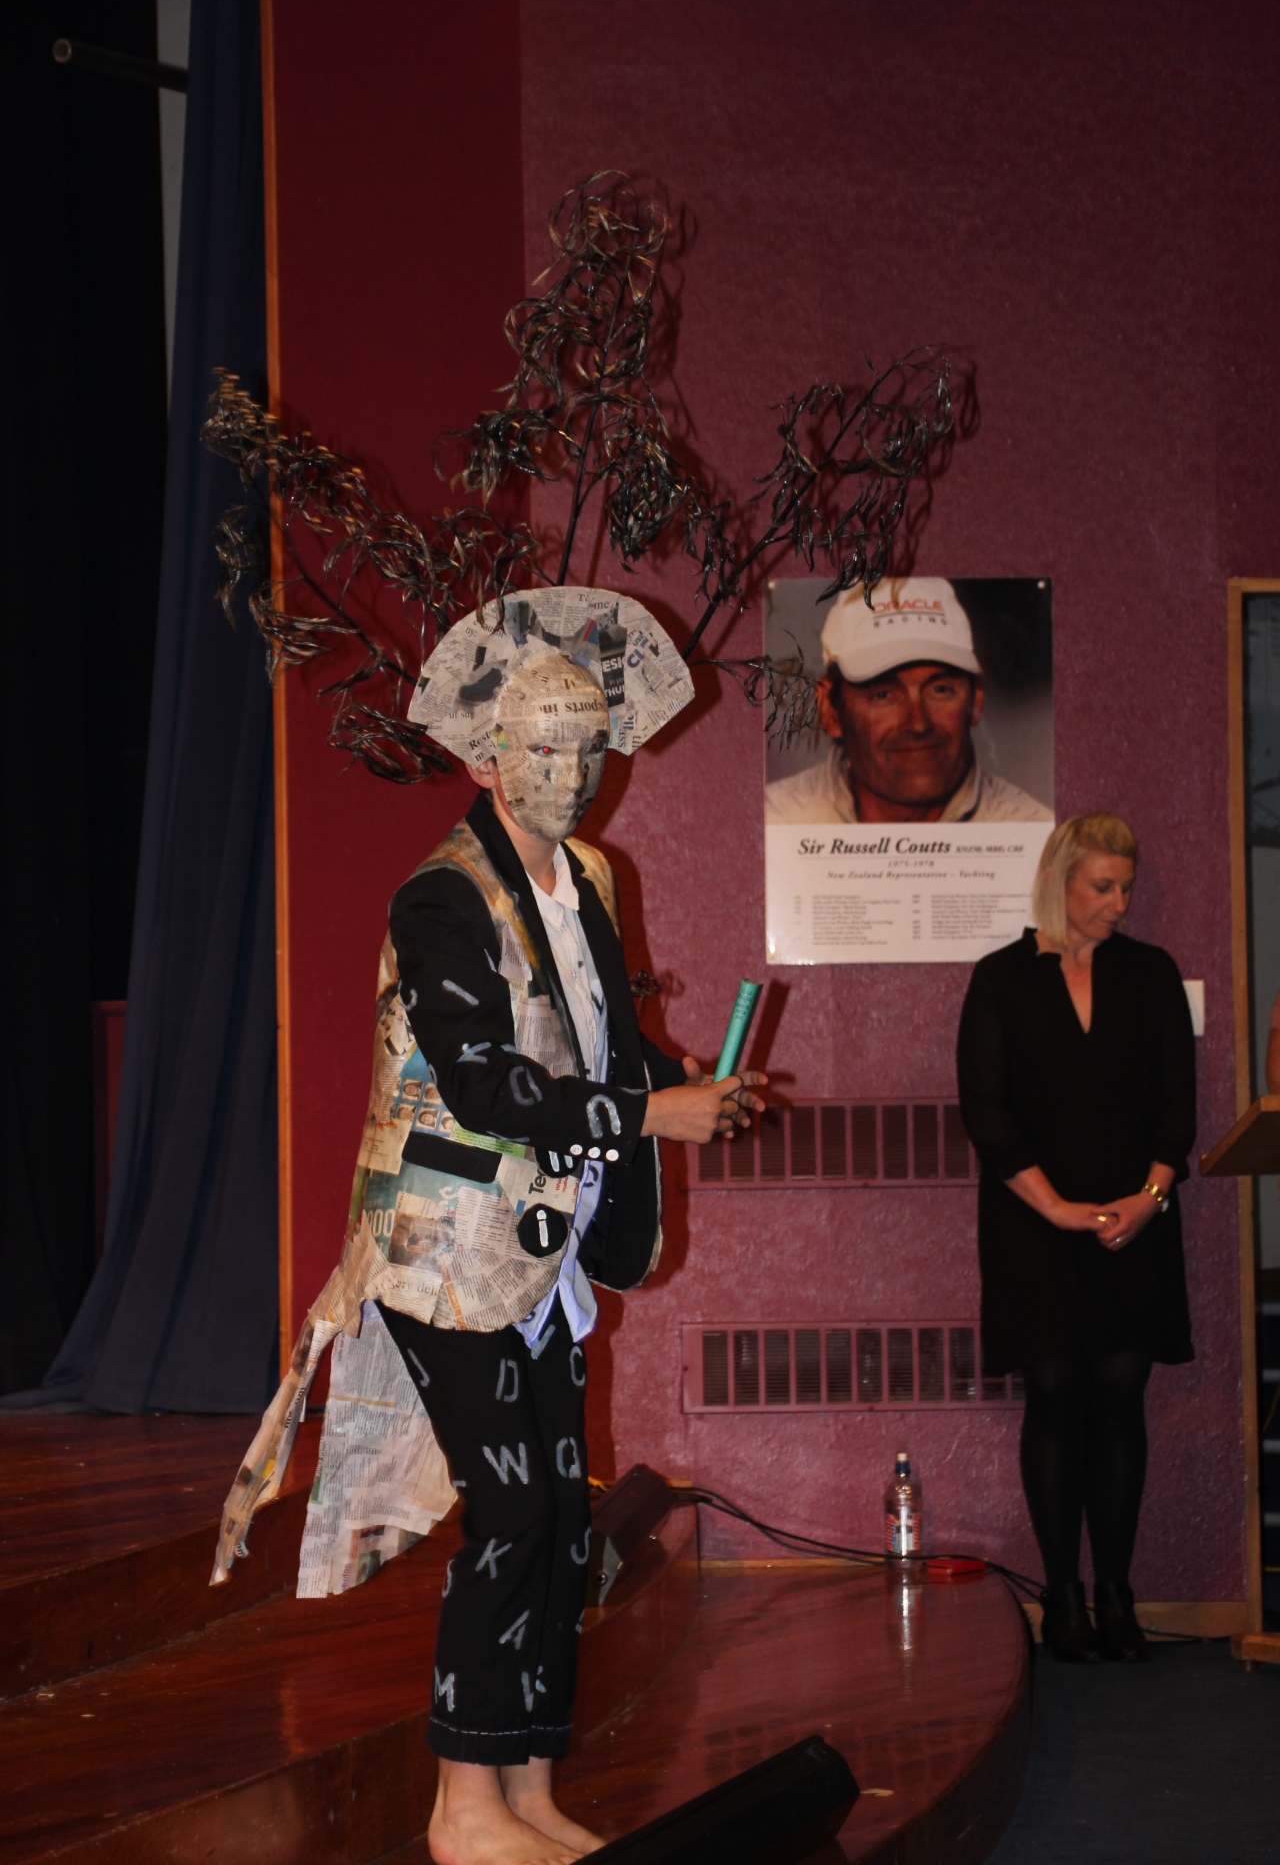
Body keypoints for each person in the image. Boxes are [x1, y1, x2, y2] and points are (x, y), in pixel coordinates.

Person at [214, 589, 765, 1865]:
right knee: (512, 1513)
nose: (569, 774)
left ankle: (526, 1792)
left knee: (562, 1518)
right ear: (486, 756)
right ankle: (461, 1809)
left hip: (539, 1245)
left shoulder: (591, 878)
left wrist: (677, 1081)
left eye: (589, 747)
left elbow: (594, 1042)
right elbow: (482, 1085)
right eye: (543, 749)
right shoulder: (439, 897)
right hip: (441, 1249)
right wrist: (651, 1111)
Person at [956, 814, 1196, 1663]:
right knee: (1055, 1394)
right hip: (1035, 1224)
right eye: (1103, 886)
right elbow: (986, 1112)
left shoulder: (1152, 974)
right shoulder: (1000, 979)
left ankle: (1117, 1594)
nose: (1119, 903)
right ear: (1059, 881)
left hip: (1136, 1221)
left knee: (1121, 1397)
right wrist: (1056, 1207)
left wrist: (1150, 1198)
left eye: (1126, 886)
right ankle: (1060, 1596)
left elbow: (1178, 1107)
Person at [764, 576, 1051, 825]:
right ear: (830, 710)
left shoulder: (1032, 831)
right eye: (883, 694)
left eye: (940, 690)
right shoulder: (775, 821)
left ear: (975, 698)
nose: (918, 724)